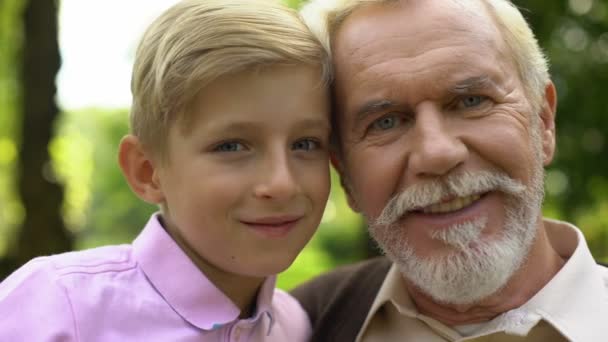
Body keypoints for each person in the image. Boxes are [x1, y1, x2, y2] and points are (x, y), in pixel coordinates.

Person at [0, 0, 332, 340]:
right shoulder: (56, 306)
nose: (282, 183)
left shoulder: (294, 326)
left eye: (305, 144)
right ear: (147, 171)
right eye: (231, 146)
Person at [292, 0, 608, 341]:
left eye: (472, 101)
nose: (437, 154)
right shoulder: (293, 327)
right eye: (386, 122)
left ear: (544, 122)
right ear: (345, 177)